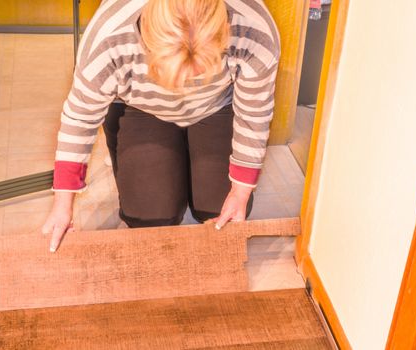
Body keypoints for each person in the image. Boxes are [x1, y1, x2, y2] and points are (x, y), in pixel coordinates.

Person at [42, 0, 280, 252]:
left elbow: (254, 114)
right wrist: (62, 204)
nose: (185, 83)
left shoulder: (254, 29)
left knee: (217, 209)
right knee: (151, 218)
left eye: (197, 71)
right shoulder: (109, 37)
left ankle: (192, 155)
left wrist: (241, 192)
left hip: (216, 106)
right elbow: (80, 118)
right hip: (142, 109)